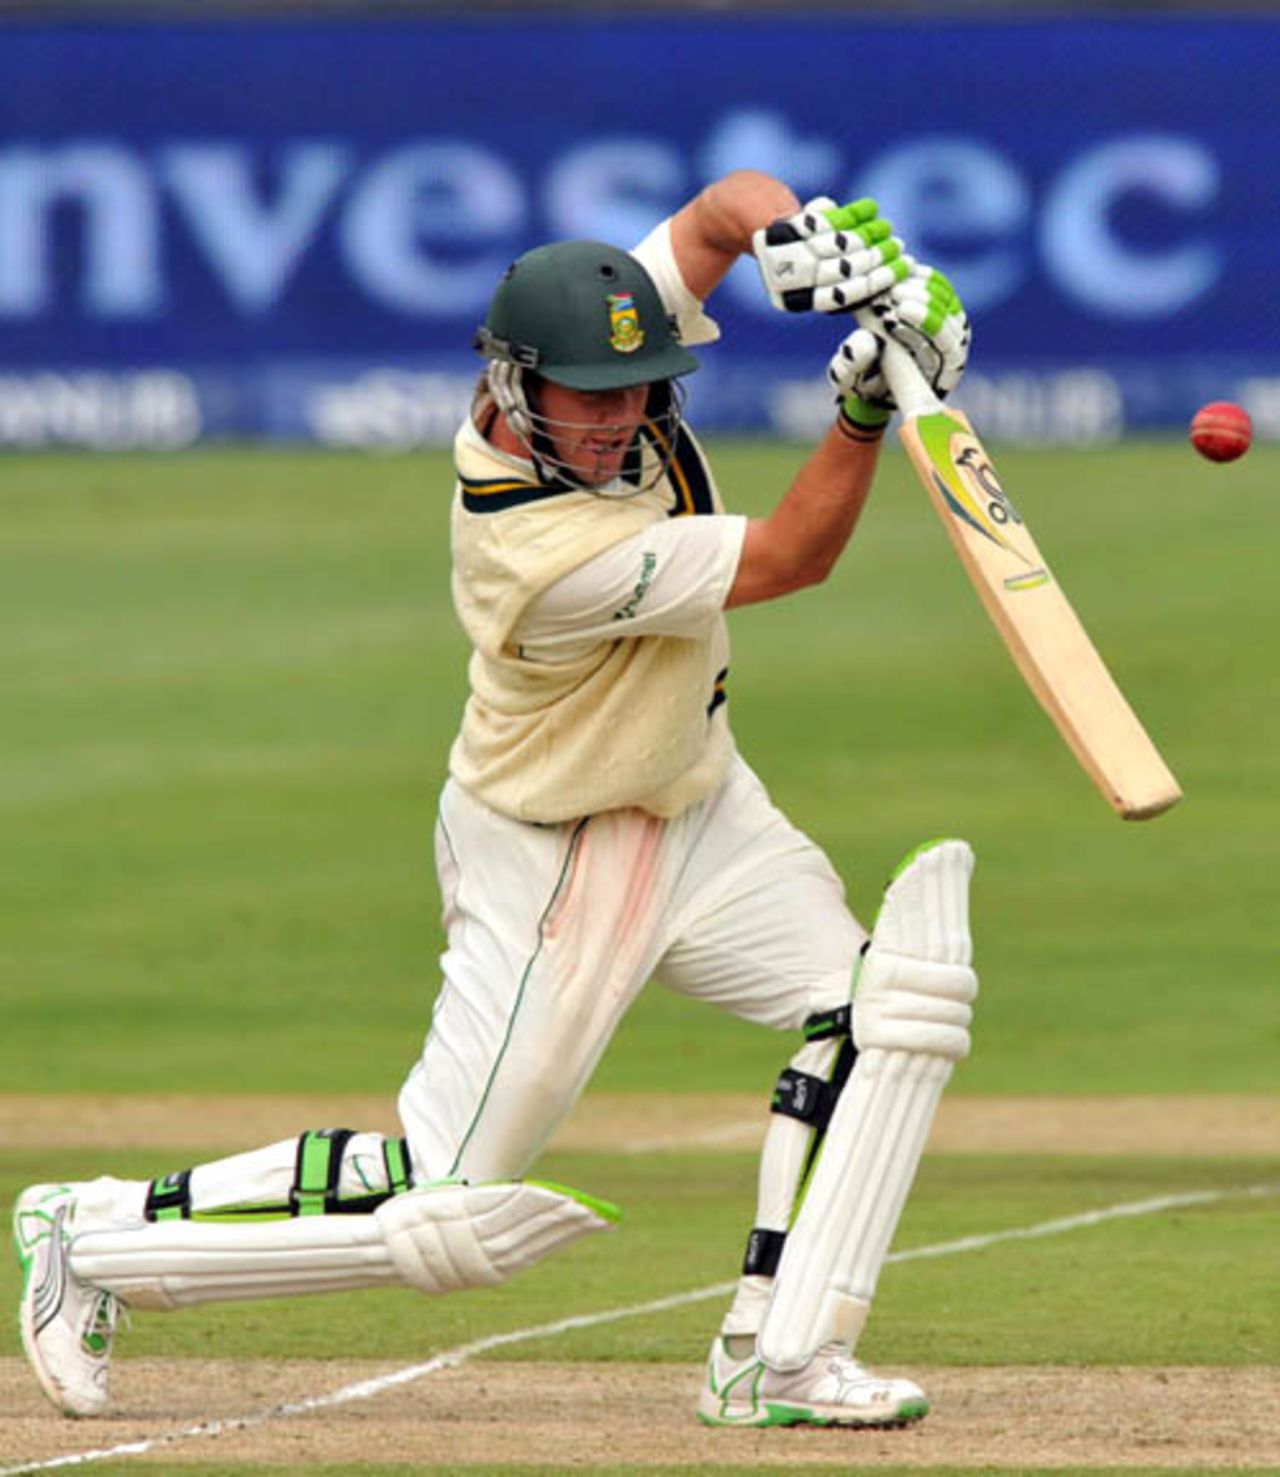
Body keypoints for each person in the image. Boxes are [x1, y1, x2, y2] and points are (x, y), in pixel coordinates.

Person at [13, 169, 978, 1430]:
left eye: (639, 389)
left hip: (700, 806)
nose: (618, 419)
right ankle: (90, 1230)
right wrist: (861, 405)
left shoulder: (599, 340)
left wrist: (796, 240)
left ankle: (776, 1353)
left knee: (886, 1014)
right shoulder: (536, 552)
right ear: (518, 385)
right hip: (554, 857)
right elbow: (794, 556)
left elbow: (716, 211)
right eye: (589, 397)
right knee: (445, 1202)